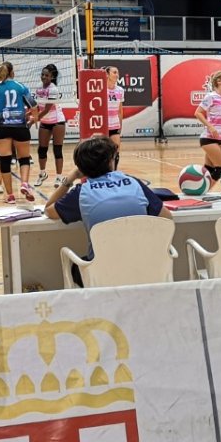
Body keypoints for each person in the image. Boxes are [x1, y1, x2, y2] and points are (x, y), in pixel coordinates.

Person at [43, 136, 170, 287]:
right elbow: (166, 218)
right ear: (111, 160)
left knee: (77, 267)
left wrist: (70, 178)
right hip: (145, 268)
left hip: (103, 276)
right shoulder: (133, 182)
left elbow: (49, 210)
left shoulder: (81, 193)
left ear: (81, 168)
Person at [0, 61, 36, 203]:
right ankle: (24, 183)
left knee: (5, 160)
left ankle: (10, 195)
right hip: (20, 126)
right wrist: (31, 119)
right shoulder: (21, 87)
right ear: (12, 72)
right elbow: (34, 107)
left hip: (3, 127)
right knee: (24, 158)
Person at [32, 63, 65, 188]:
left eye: (47, 75)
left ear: (52, 77)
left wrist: (32, 120)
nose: (44, 77)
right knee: (42, 149)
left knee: (57, 150)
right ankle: (42, 174)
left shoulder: (53, 89)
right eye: (42, 75)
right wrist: (27, 114)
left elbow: (46, 109)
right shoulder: (38, 87)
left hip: (57, 121)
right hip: (45, 122)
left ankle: (59, 177)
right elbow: (36, 106)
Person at [104, 65, 125, 167]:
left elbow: (120, 110)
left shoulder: (120, 90)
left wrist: (120, 125)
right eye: (114, 72)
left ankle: (113, 172)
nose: (117, 75)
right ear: (107, 74)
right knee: (103, 152)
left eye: (117, 73)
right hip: (103, 126)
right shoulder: (101, 90)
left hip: (114, 125)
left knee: (116, 151)